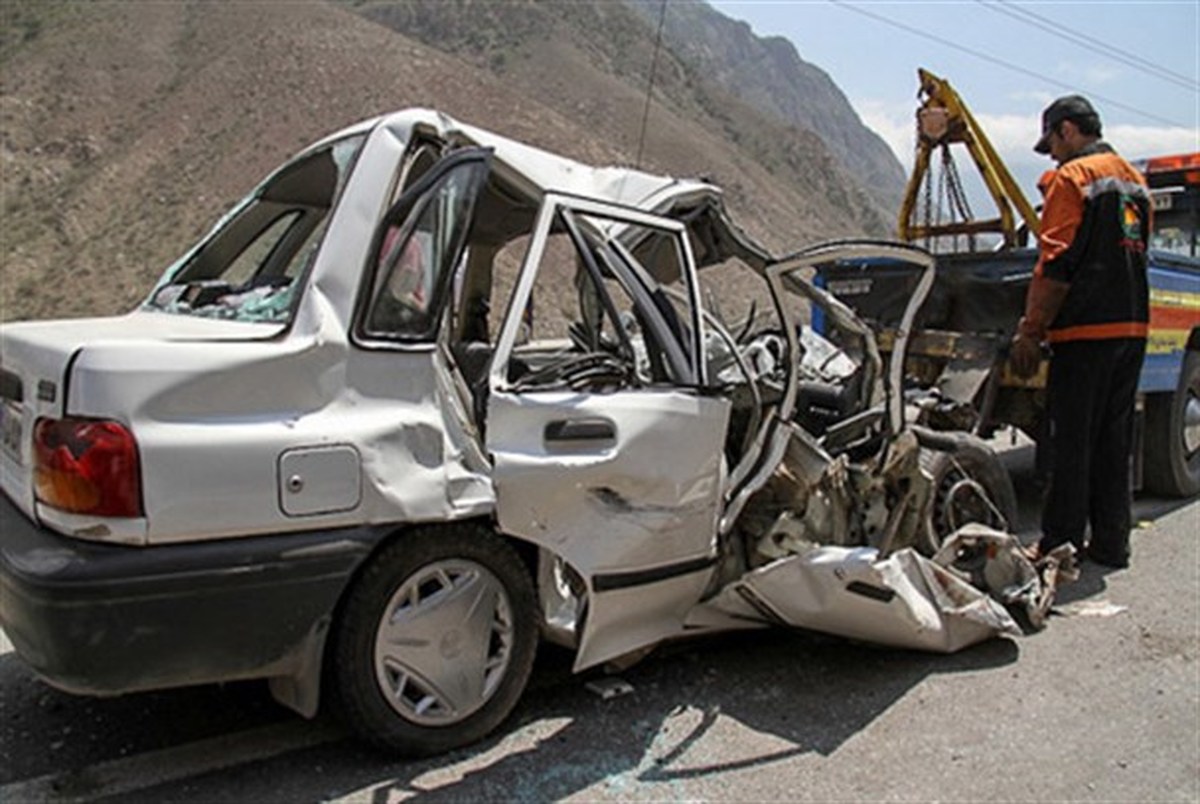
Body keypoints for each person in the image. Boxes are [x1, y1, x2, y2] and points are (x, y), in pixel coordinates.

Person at [1010, 95, 1152, 569]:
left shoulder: (1072, 179)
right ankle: (1113, 545)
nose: (1050, 153)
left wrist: (1031, 331)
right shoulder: (1136, 181)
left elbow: (1055, 262)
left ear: (1067, 130)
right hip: (1131, 328)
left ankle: (1058, 547)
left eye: (1050, 141)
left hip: (1084, 333)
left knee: (1069, 442)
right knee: (1114, 442)